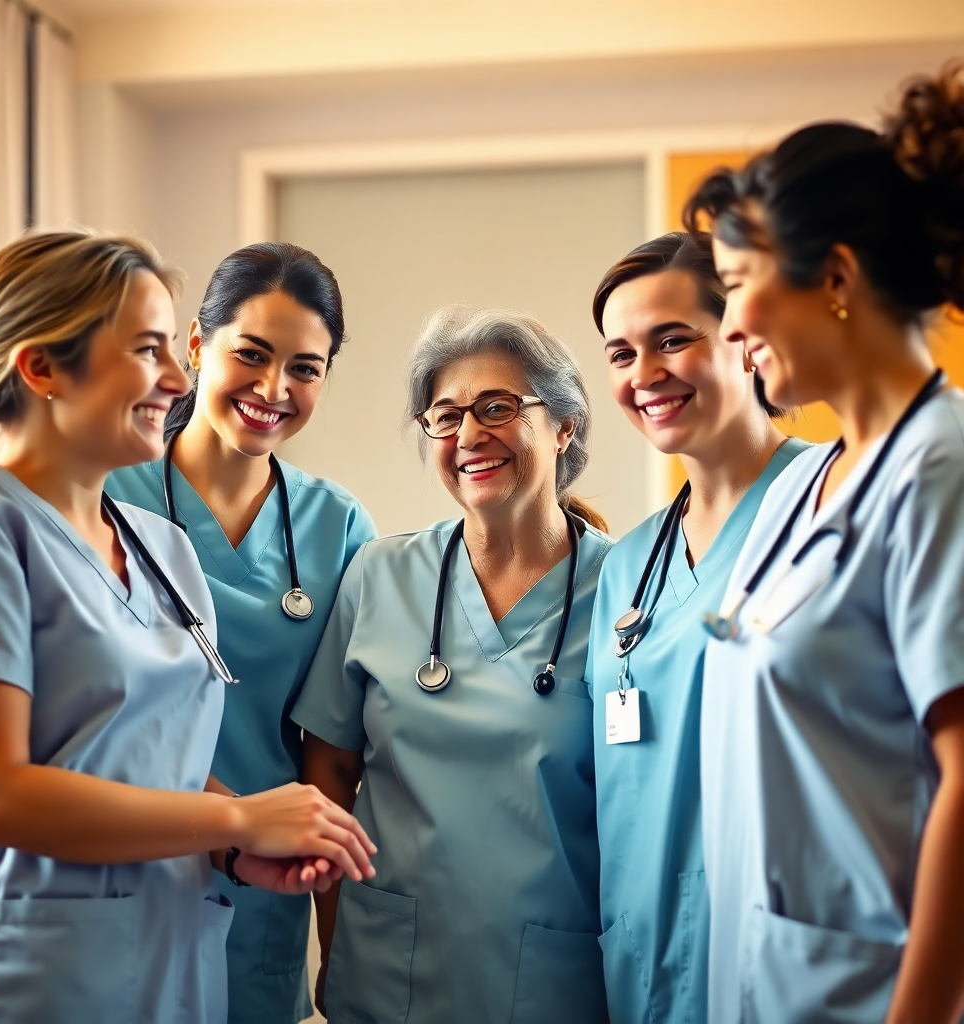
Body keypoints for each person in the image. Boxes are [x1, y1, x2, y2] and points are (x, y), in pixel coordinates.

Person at [0, 232, 375, 1024]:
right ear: (41, 368)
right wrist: (237, 816)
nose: (177, 379)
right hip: (40, 963)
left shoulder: (159, 545)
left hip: (180, 950)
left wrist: (236, 850)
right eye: (151, 350)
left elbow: (151, 754)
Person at [686, 63, 964, 1023]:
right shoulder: (805, 481)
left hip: (875, 995)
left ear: (835, 278)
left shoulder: (942, 470)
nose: (729, 329)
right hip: (766, 984)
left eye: (736, 288)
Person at [290, 307, 612, 1023]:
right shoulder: (380, 576)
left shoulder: (625, 595)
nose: (469, 435)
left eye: (497, 407)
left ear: (564, 426)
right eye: (444, 416)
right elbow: (330, 773)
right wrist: (335, 936)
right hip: (387, 969)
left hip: (556, 978)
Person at [106, 242, 377, 1024]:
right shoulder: (106, 492)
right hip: (124, 871)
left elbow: (335, 753)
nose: (274, 389)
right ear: (196, 344)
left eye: (305, 368)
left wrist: (339, 955)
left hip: (267, 892)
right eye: (250, 355)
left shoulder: (339, 526)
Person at [585, 230, 806, 1024]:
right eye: (619, 354)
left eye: (672, 340)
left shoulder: (827, 506)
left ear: (743, 338)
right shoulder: (626, 565)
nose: (644, 375)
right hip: (643, 969)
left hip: (787, 966)